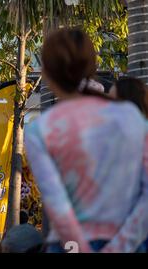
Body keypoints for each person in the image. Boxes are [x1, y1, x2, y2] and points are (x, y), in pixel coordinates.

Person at [25, 28, 148, 253]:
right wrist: (122, 245)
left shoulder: (40, 130)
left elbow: (57, 205)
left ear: (47, 72)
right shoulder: (129, 116)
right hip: (129, 241)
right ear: (92, 65)